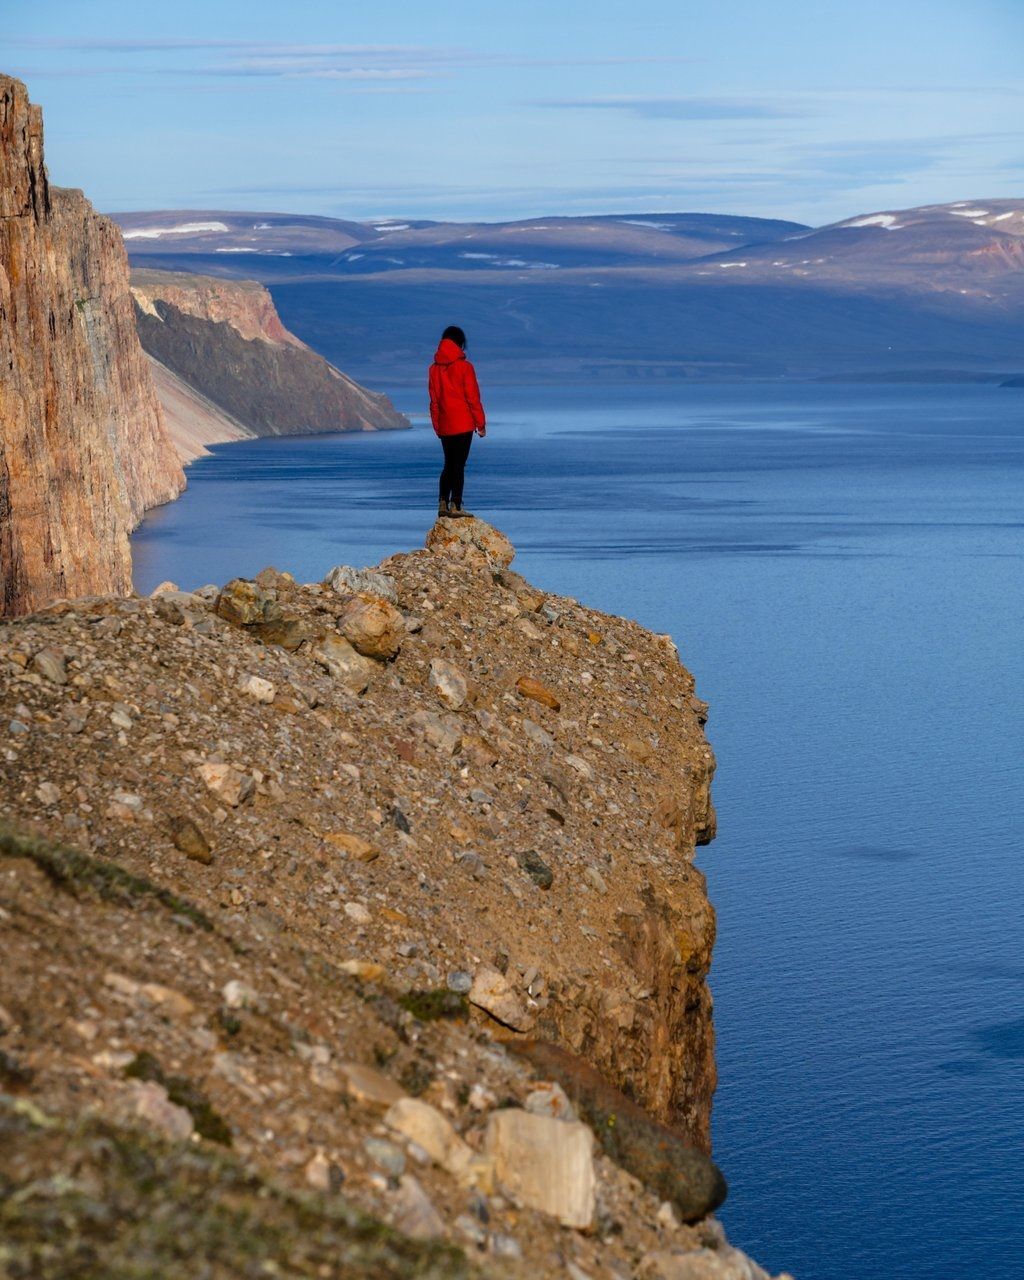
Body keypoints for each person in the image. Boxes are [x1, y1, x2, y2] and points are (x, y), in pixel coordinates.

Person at [429, 325, 486, 518]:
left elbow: (434, 401)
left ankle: (442, 502)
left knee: (449, 464)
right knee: (459, 465)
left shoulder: (433, 369)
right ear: (460, 343)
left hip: (445, 424)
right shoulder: (465, 367)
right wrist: (481, 424)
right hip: (464, 424)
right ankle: (456, 505)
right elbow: (473, 398)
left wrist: (437, 426)